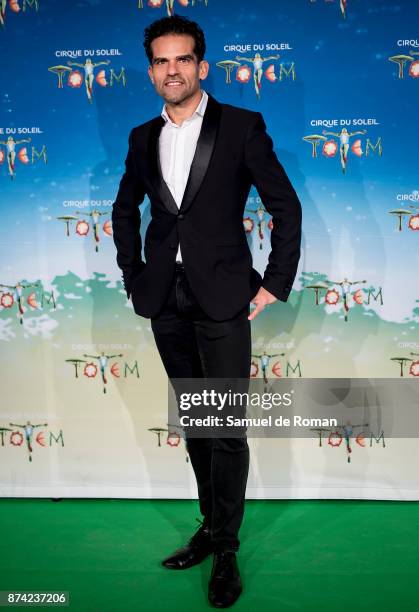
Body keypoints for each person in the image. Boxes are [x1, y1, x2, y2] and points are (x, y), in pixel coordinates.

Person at [112, 15, 302, 608]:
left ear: (202, 66)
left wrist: (273, 284)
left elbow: (285, 208)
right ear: (151, 71)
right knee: (196, 424)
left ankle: (227, 549)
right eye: (161, 62)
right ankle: (208, 524)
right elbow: (124, 212)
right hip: (164, 301)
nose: (172, 71)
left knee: (224, 429)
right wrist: (132, 273)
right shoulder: (142, 137)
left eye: (183, 60)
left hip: (222, 300)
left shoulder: (242, 126)